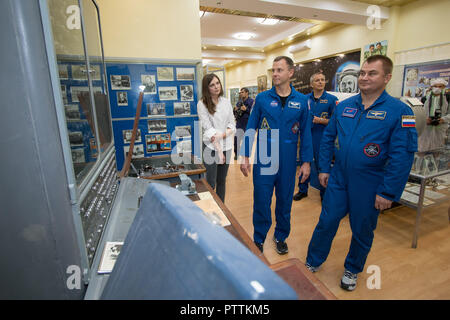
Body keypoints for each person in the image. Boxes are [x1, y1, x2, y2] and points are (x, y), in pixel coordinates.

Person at [304, 55, 418, 291]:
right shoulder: (344, 106)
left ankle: (352, 269)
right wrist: (324, 168)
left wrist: (388, 192)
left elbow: (403, 155)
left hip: (371, 183)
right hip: (339, 178)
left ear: (387, 77)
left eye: (372, 73)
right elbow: (327, 138)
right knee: (326, 221)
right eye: (362, 73)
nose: (364, 77)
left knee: (362, 229)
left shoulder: (401, 112)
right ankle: (313, 261)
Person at [240, 56, 313, 255]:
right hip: (265, 157)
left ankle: (281, 236)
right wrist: (245, 155)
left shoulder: (302, 101)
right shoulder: (262, 99)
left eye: (279, 70)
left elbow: (306, 133)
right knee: (262, 200)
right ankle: (259, 238)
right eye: (273, 70)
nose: (275, 74)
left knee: (284, 200)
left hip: (289, 160)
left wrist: (307, 163)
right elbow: (250, 128)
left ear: (290, 73)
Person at [294, 72, 338, 202]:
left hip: (323, 138)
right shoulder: (304, 99)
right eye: (317, 80)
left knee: (322, 165)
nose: (320, 82)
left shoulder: (332, 99)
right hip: (307, 136)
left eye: (322, 80)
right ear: (311, 84)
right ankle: (302, 190)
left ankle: (324, 193)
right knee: (304, 162)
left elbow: (336, 122)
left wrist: (321, 121)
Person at [197, 74, 236, 203]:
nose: (216, 87)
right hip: (211, 148)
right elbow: (208, 129)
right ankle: (210, 208)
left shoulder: (226, 102)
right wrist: (219, 151)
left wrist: (223, 135)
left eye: (217, 83)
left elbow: (232, 124)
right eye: (212, 85)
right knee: (210, 182)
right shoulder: (202, 104)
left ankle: (222, 209)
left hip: (227, 146)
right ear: (206, 88)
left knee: (221, 181)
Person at [418, 78, 449, 153]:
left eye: (440, 86)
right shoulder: (425, 98)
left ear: (444, 87)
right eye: (435, 86)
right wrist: (425, 119)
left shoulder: (448, 98)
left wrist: (443, 119)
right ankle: (420, 164)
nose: (437, 88)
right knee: (422, 149)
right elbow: (420, 112)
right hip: (426, 128)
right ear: (431, 87)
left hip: (440, 128)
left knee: (437, 150)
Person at [234, 87, 254, 160]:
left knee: (247, 140)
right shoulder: (239, 102)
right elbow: (235, 113)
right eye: (240, 92)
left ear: (247, 93)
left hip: (247, 123)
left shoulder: (251, 101)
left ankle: (245, 155)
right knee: (236, 139)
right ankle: (236, 153)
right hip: (239, 123)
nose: (241, 93)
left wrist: (247, 110)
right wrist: (235, 110)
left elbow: (254, 113)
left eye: (242, 92)